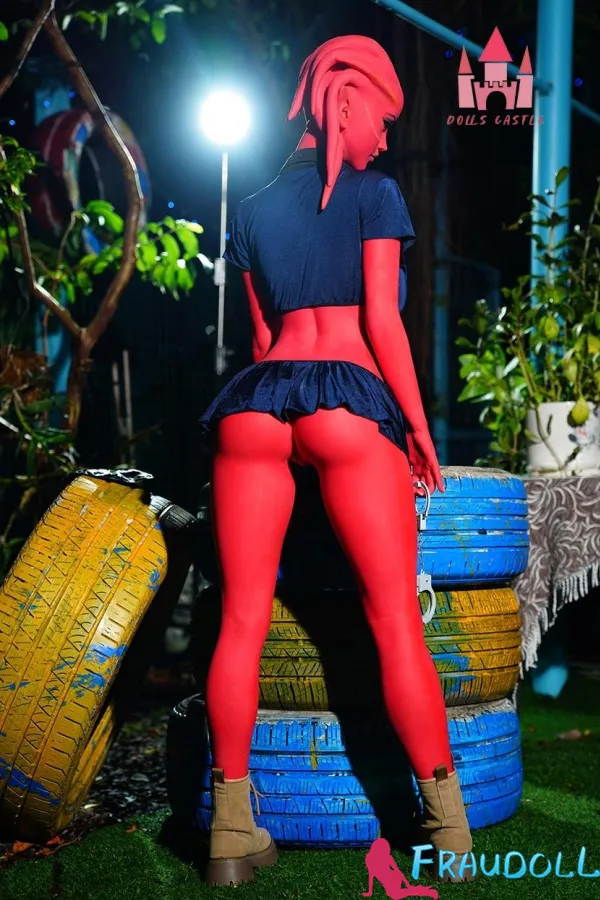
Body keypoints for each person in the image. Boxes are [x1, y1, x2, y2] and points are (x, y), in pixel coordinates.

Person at [199, 34, 474, 887]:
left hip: (255, 406)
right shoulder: (374, 195)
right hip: (348, 401)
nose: (386, 140)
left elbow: (258, 341)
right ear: (344, 102)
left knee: (241, 619)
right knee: (394, 619)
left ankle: (231, 830)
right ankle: (449, 830)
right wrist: (418, 429)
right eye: (382, 120)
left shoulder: (250, 209)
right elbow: (383, 323)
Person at [361, 838, 439, 899]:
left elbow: (397, 871)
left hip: (393, 877)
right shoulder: (370, 858)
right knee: (396, 894)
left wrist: (408, 885)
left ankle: (429, 892)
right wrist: (370, 892)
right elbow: (371, 874)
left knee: (396, 895)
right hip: (389, 877)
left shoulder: (387, 857)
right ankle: (423, 890)